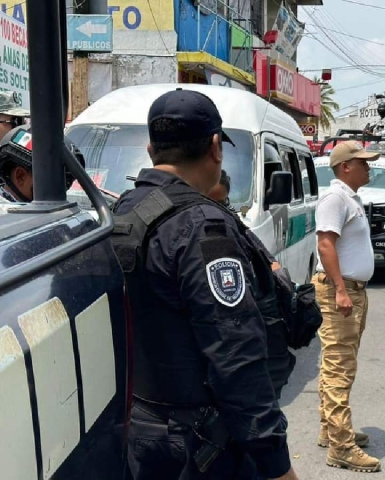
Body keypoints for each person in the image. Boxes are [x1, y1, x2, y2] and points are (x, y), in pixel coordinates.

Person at [110, 88, 298, 480]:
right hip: (199, 446)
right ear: (215, 147)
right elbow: (236, 355)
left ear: (150, 149)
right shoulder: (204, 228)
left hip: (140, 430)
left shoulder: (123, 210)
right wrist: (275, 463)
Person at [313, 140, 382, 473]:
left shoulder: (348, 198)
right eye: (364, 162)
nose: (369, 166)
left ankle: (332, 429)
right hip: (341, 292)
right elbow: (325, 245)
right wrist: (340, 289)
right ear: (346, 167)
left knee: (336, 362)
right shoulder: (335, 198)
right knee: (340, 366)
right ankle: (342, 447)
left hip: (352, 291)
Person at [0, 124, 84, 202]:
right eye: (52, 185)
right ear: (20, 176)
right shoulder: (6, 216)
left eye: (66, 186)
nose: (60, 194)